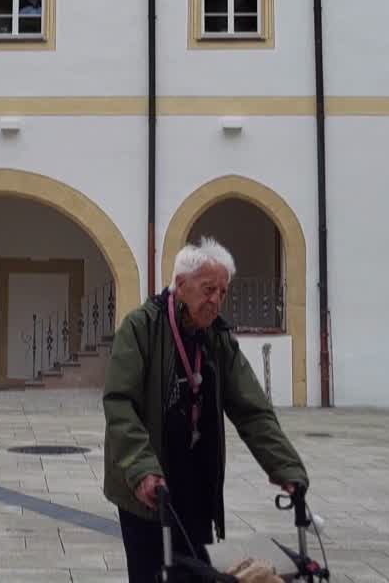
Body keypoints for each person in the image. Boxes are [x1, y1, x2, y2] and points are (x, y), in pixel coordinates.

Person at [103, 238, 308, 583]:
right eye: (208, 288)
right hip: (148, 484)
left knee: (198, 572)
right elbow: (120, 403)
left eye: (223, 292)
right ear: (180, 286)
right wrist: (141, 469)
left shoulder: (218, 338)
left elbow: (252, 409)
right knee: (152, 573)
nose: (216, 300)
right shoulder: (141, 328)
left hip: (196, 482)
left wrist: (285, 466)